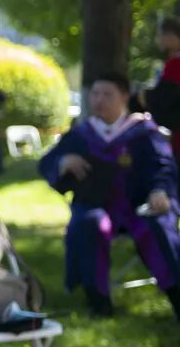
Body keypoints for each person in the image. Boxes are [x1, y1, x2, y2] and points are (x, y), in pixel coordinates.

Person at [40, 72, 180, 320]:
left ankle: (176, 294)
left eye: (107, 94)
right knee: (90, 223)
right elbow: (47, 162)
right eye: (95, 94)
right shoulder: (82, 133)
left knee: (158, 226)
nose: (99, 100)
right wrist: (63, 161)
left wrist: (160, 191)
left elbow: (164, 167)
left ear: (125, 97)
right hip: (97, 205)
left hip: (140, 205)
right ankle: (98, 301)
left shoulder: (143, 132)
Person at [140, 17, 180, 160]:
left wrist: (144, 97)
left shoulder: (175, 64)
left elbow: (166, 100)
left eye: (162, 35)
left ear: (172, 35)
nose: (160, 41)